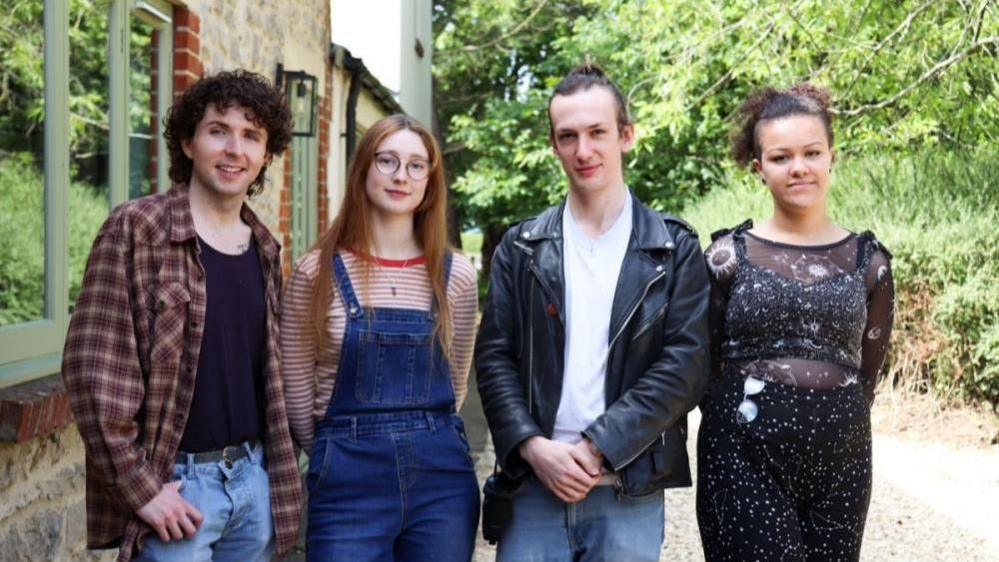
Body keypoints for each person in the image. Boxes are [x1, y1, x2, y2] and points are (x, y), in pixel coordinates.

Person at [61, 70, 303, 562]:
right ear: (189, 143)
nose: (234, 149)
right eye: (219, 130)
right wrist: (143, 489)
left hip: (252, 484)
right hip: (178, 491)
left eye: (251, 136)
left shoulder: (264, 247)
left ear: (265, 156)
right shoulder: (137, 229)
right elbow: (92, 372)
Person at [475, 63, 711, 562]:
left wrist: (597, 447)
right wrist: (534, 448)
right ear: (554, 144)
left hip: (629, 487)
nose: (583, 151)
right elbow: (494, 359)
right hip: (532, 487)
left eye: (597, 132)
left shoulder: (673, 247)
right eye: (568, 136)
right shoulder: (521, 247)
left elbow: (685, 367)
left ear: (626, 135)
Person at [695, 84, 895, 561]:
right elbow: (704, 364)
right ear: (758, 168)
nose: (799, 167)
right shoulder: (726, 258)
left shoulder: (872, 263)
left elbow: (869, 372)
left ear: (832, 158)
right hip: (743, 456)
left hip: (842, 462)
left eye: (811, 152)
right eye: (781, 157)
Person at [280, 114, 480, 561]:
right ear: (363, 169)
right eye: (386, 160)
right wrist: (338, 452)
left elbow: (457, 383)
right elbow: (295, 391)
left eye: (415, 166)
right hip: (347, 480)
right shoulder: (316, 273)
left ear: (430, 180)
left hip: (441, 484)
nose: (400, 177)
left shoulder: (457, 278)